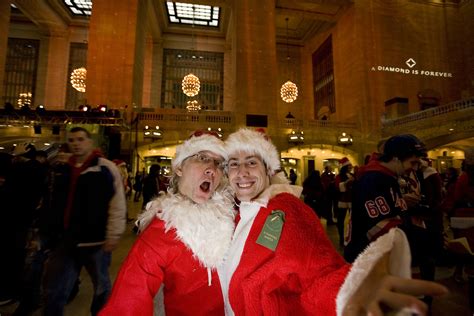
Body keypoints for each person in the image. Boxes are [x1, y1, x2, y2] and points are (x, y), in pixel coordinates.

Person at [217, 128, 446, 315]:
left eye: (251, 163)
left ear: (268, 169)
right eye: (234, 164)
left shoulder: (287, 210)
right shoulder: (242, 212)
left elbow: (319, 272)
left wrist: (352, 291)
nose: (242, 172)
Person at [99, 131, 235, 315]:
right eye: (202, 158)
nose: (212, 168)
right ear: (179, 167)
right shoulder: (160, 232)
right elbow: (126, 302)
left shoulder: (232, 216)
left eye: (218, 163)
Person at [43, 127, 126, 316]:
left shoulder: (105, 168)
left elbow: (117, 203)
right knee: (55, 290)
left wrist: (113, 233)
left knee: (101, 287)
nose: (76, 144)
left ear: (90, 142)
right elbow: (52, 201)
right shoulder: (62, 169)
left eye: (80, 139)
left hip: (95, 241)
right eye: (72, 140)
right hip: (66, 240)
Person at [344, 134, 427, 263]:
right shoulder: (373, 179)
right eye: (413, 162)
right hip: (369, 259)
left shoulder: (387, 177)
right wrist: (428, 241)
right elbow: (380, 227)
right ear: (396, 158)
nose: (415, 168)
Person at [335, 157, 354, 248]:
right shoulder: (339, 176)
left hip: (351, 199)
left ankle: (351, 237)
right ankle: (341, 239)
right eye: (349, 165)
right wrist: (347, 182)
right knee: (341, 221)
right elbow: (339, 187)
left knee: (352, 220)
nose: (351, 167)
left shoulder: (351, 175)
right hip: (342, 200)